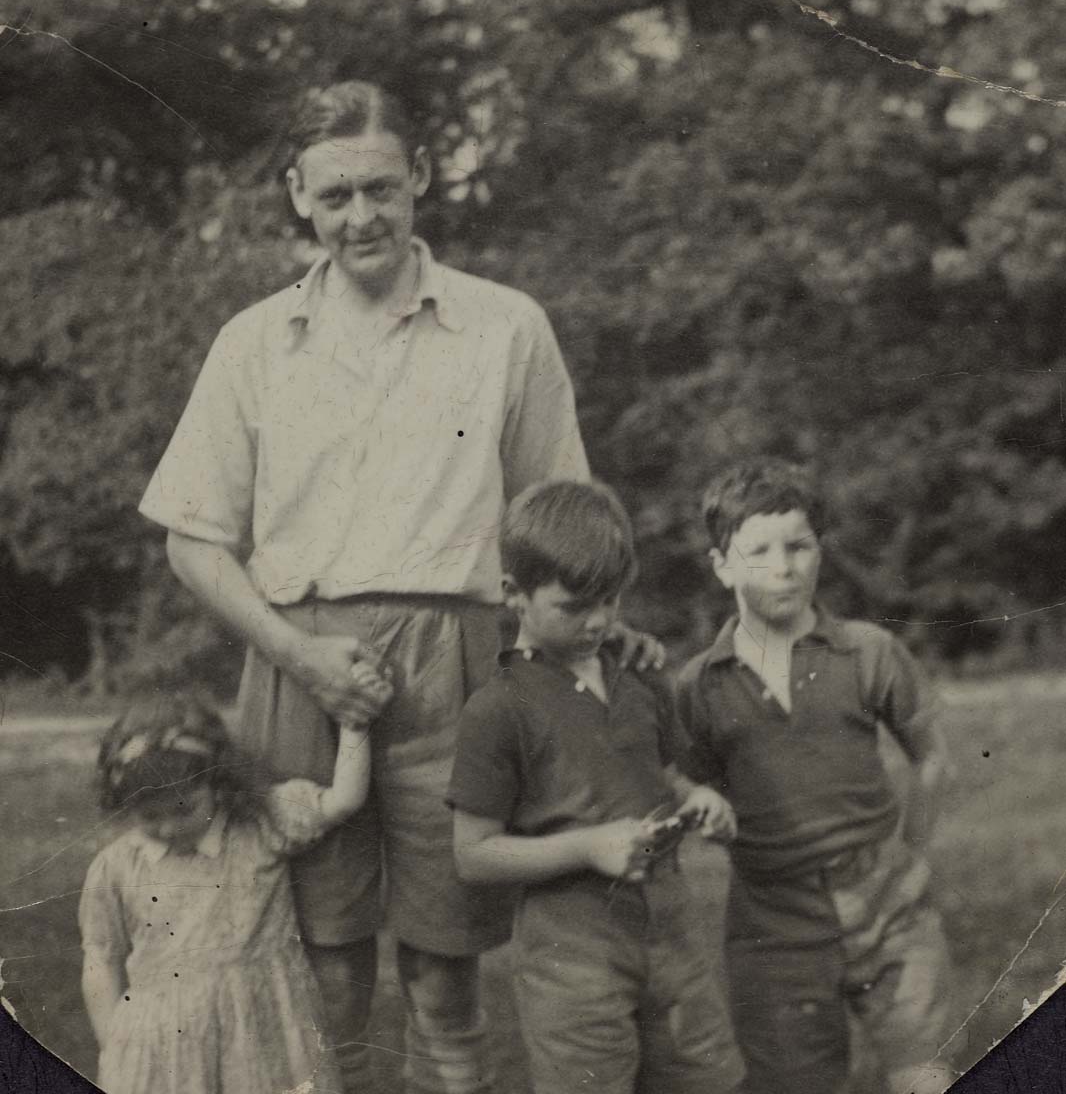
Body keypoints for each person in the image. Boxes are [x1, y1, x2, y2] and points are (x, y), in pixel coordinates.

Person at [139, 79, 658, 1093]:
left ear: (419, 177)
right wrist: (300, 656)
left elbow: (565, 525)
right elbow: (192, 543)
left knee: (443, 977)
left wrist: (598, 631)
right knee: (322, 969)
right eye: (333, 197)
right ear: (296, 195)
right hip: (299, 666)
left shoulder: (506, 327)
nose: (360, 217)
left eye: (380, 189)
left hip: (455, 665)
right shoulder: (254, 342)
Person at [448, 480, 745, 1094]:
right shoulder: (498, 709)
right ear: (515, 596)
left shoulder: (638, 674)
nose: (600, 621)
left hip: (673, 939)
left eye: (611, 599)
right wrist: (586, 847)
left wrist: (699, 800)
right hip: (572, 956)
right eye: (574, 606)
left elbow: (663, 772)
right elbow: (472, 853)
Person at [676, 457, 957, 1094]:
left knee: (923, 1075)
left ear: (820, 553)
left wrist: (910, 854)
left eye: (800, 546)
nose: (784, 566)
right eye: (760, 551)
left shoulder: (867, 652)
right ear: (721, 565)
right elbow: (686, 783)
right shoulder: (700, 685)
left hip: (890, 905)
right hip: (774, 925)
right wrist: (701, 805)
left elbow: (933, 757)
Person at [78, 678, 390, 1094]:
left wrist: (355, 723)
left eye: (184, 809)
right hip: (165, 1046)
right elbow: (101, 958)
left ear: (219, 787)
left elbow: (343, 801)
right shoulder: (117, 867)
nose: (168, 827)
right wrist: (111, 1046)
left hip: (264, 1029)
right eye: (149, 816)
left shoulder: (258, 829)